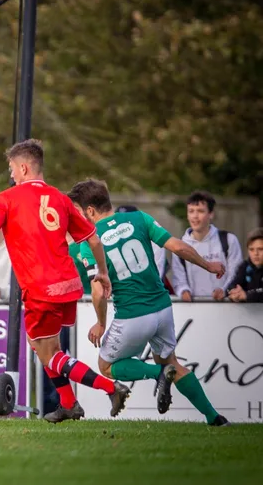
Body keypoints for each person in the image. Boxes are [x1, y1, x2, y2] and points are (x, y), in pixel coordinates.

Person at [0, 139, 130, 423]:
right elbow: (92, 238)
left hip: (40, 288)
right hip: (67, 285)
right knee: (46, 347)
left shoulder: (6, 199)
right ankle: (68, 404)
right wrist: (102, 272)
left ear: (23, 167)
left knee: (49, 355)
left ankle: (111, 388)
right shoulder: (61, 199)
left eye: (12, 169)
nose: (11, 176)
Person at [68, 179, 228, 426]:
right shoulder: (139, 218)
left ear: (89, 211)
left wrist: (100, 323)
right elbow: (177, 246)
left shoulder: (90, 241)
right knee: (172, 362)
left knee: (106, 365)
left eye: (78, 212)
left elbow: (98, 292)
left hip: (132, 314)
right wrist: (208, 265)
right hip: (163, 308)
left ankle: (158, 373)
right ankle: (214, 418)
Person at [170, 191, 242, 301]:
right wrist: (183, 291)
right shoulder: (180, 246)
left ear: (211, 214)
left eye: (200, 211)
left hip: (226, 307)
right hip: (194, 309)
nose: (195, 216)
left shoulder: (228, 240)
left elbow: (236, 272)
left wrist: (224, 290)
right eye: (191, 211)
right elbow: (178, 278)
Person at [115, 205, 168, 282]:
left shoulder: (153, 243)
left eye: (126, 221)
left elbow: (157, 275)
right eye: (119, 221)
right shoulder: (113, 243)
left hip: (149, 290)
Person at [225, 227, 263, 303]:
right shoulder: (244, 266)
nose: (255, 254)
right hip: (249, 314)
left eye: (260, 249)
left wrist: (247, 295)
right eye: (251, 249)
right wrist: (234, 292)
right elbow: (231, 286)